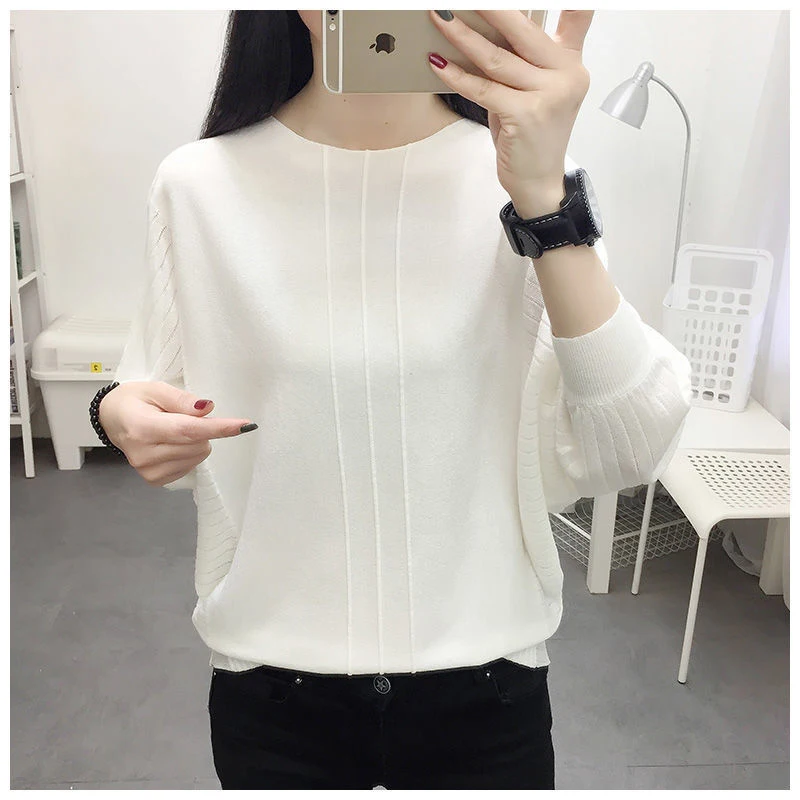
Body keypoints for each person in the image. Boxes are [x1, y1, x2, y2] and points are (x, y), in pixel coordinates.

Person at [93, 10, 692, 790]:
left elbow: (634, 442)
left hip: (488, 687)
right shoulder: (197, 186)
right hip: (272, 692)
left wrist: (545, 200)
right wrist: (115, 413)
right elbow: (152, 398)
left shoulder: (524, 175)